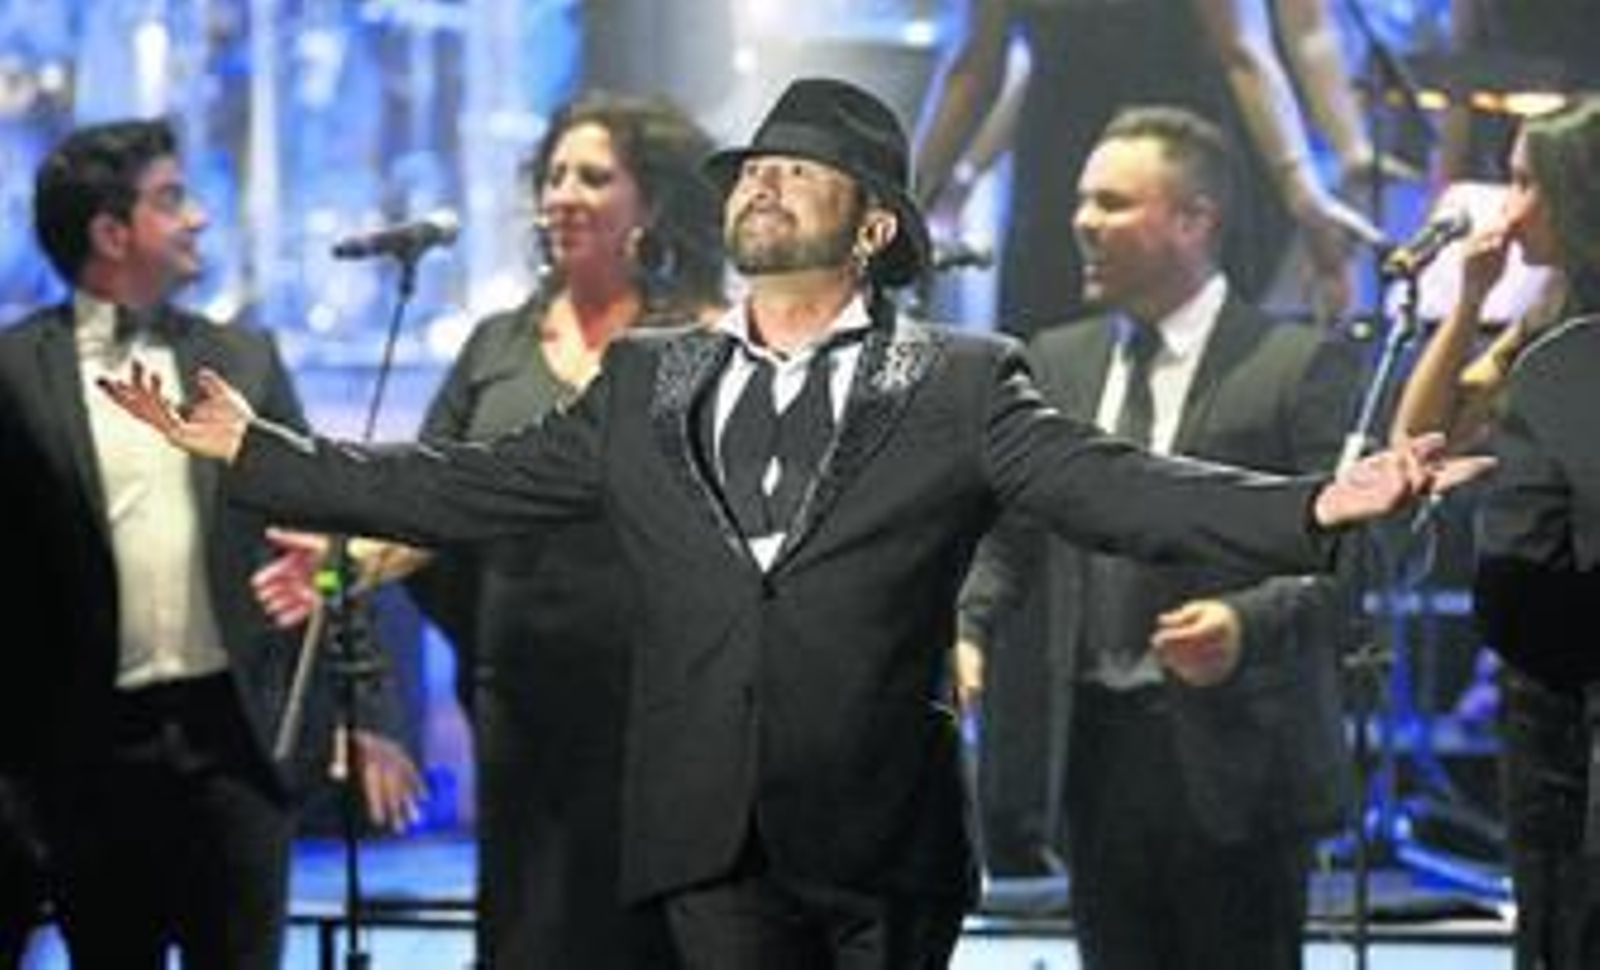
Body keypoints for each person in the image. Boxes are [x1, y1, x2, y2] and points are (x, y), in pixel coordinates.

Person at [101, 77, 1483, 970]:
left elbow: (1122, 488)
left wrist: (1314, 503)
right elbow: (465, 487)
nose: (759, 182)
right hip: (707, 834)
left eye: (798, 172)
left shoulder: (957, 377)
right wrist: (264, 455)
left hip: (882, 843)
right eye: (751, 170)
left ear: (873, 226)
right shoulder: (653, 376)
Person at [0, 117, 420, 968]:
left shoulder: (246, 361)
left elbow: (320, 538)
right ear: (110, 232)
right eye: (171, 200)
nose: (196, 218)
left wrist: (367, 710)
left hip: (236, 744)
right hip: (88, 756)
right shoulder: (12, 375)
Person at [955, 104, 1360, 970]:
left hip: (1241, 767)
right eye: (1080, 201)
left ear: (1194, 220)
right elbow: (1010, 532)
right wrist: (968, 628)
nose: (1082, 223)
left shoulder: (1295, 365)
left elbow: (1351, 555)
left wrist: (1245, 622)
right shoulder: (1054, 363)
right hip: (1096, 754)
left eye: (1111, 203)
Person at [342, 89, 725, 969]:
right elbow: (430, 500)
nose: (562, 193)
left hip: (665, 716)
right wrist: (356, 554)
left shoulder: (707, 343)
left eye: (593, 175)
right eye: (553, 175)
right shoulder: (497, 346)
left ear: (653, 202)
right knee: (531, 935)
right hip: (522, 707)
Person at [1396, 96, 1600, 970]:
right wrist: (1468, 299)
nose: (1508, 209)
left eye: (1528, 184)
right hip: (1540, 680)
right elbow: (1423, 435)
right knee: (1549, 899)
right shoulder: (1542, 316)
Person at [913, 0, 1387, 332]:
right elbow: (975, 70)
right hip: (1070, 169)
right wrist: (908, 195)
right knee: (1056, 361)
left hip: (1172, 156)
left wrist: (1304, 190)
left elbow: (975, 69)